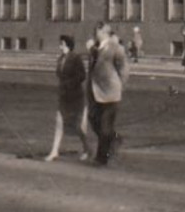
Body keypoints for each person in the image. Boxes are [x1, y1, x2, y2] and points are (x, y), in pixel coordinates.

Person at [45, 35, 95, 162]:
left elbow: (82, 75)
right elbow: (59, 74)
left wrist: (69, 83)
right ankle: (54, 151)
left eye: (61, 44)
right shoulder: (61, 58)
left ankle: (87, 148)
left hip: (75, 97)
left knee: (78, 127)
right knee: (59, 123)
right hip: (64, 96)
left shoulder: (76, 58)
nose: (59, 46)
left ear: (67, 45)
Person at [88, 21, 128, 166]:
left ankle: (101, 158)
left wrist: (120, 86)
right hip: (96, 92)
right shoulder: (95, 48)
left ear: (103, 32)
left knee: (105, 126)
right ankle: (114, 138)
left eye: (96, 31)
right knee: (93, 119)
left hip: (111, 93)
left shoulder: (116, 48)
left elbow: (123, 68)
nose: (94, 34)